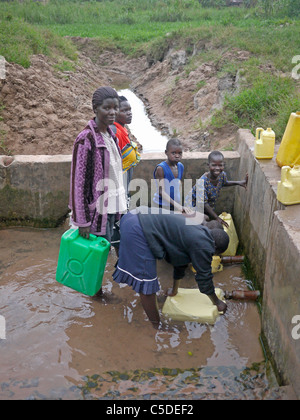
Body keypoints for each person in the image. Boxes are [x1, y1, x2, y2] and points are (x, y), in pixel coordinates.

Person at [113, 207, 229, 329]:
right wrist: (217, 302)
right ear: (215, 248)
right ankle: (158, 326)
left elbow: (180, 264)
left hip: (135, 216)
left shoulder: (198, 232)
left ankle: (153, 314)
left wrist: (174, 291)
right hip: (138, 228)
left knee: (146, 279)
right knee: (147, 284)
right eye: (214, 254)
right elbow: (204, 278)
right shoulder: (204, 245)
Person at [68, 86, 127, 243]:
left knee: (106, 253)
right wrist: (82, 221)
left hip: (113, 208)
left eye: (115, 107)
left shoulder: (111, 137)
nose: (112, 112)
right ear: (95, 109)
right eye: (106, 108)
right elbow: (78, 184)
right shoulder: (86, 139)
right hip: (96, 214)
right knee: (93, 260)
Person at [185, 150, 248, 228]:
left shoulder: (222, 175)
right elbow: (204, 204)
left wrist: (239, 183)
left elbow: (224, 183)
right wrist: (217, 218)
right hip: (192, 207)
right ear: (208, 165)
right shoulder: (202, 182)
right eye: (214, 165)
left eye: (220, 165)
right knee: (204, 221)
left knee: (207, 219)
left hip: (205, 206)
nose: (217, 168)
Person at [110, 95, 140, 200]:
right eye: (124, 110)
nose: (129, 113)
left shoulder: (122, 129)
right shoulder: (115, 132)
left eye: (130, 109)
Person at [153, 138, 192, 214]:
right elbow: (162, 192)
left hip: (174, 205)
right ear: (166, 152)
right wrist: (178, 207)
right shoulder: (161, 168)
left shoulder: (180, 166)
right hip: (161, 206)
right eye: (173, 153)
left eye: (180, 153)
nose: (177, 156)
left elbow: (177, 184)